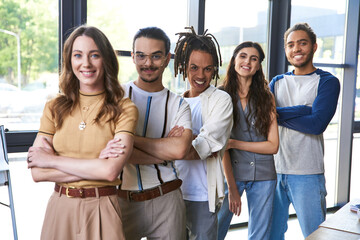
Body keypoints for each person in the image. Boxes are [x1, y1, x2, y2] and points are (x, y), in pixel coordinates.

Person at [27, 25, 138, 240]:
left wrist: (51, 160)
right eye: (78, 55)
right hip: (60, 208)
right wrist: (96, 163)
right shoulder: (54, 107)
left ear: (106, 59)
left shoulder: (125, 108)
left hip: (103, 208)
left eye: (94, 55)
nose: (85, 63)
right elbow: (37, 173)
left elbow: (109, 172)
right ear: (70, 60)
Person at [101, 26, 193, 240]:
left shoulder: (179, 104)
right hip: (120, 199)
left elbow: (180, 149)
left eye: (156, 56)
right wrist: (164, 148)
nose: (148, 63)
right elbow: (108, 148)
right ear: (133, 57)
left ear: (168, 58)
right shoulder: (115, 96)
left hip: (167, 198)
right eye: (141, 56)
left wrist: (129, 140)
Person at [269, 23, 340, 239]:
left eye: (302, 43)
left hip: (307, 173)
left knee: (315, 235)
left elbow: (316, 124)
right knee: (271, 234)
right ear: (286, 50)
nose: (296, 49)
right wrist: (302, 111)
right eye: (291, 44)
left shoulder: (327, 82)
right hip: (274, 171)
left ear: (314, 46)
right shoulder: (277, 82)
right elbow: (264, 118)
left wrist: (277, 115)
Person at [173, 26, 233, 240]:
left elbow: (205, 146)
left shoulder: (221, 100)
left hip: (202, 195)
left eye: (207, 69)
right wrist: (191, 142)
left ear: (215, 69)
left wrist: (174, 144)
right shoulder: (175, 101)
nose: (200, 75)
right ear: (183, 66)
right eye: (194, 67)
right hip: (172, 192)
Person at [217, 41, 279, 240]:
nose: (247, 62)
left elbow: (273, 146)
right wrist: (232, 188)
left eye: (254, 58)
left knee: (260, 236)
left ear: (259, 65)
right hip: (230, 174)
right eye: (243, 56)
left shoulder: (266, 97)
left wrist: (235, 143)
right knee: (215, 229)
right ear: (234, 60)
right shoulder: (220, 95)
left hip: (264, 175)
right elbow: (221, 147)